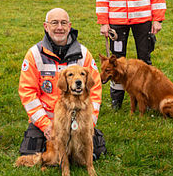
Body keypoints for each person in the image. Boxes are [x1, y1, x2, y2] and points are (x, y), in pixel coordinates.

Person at [17, 8, 106, 159]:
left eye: (63, 23)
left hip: (78, 121)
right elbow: (28, 93)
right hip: (47, 122)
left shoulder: (84, 54)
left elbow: (95, 89)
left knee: (97, 151)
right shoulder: (34, 54)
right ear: (46, 26)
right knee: (31, 153)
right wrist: (45, 125)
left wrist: (89, 122)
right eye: (54, 23)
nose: (59, 27)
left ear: (69, 26)